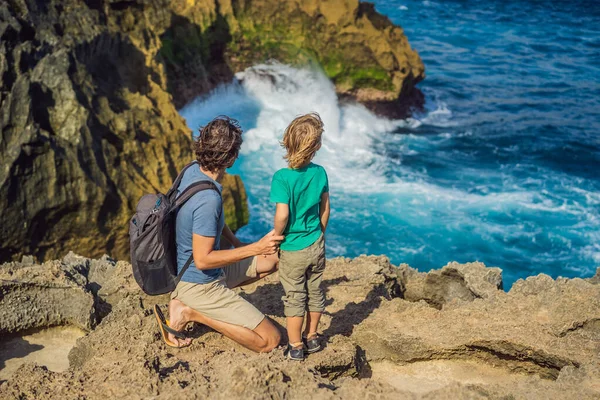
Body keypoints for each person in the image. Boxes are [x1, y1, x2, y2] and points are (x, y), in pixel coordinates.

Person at [155, 116, 283, 352]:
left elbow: (208, 223)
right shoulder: (208, 199)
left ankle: (204, 302)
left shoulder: (193, 170)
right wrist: (255, 248)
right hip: (199, 283)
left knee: (272, 259)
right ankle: (190, 311)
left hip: (193, 271)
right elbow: (203, 259)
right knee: (270, 341)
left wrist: (237, 243)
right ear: (231, 158)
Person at [269, 113, 330, 361]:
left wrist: (277, 236)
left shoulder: (282, 178)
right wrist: (319, 234)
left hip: (292, 248)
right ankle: (312, 336)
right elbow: (325, 208)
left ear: (286, 141)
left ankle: (295, 345)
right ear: (316, 147)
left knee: (295, 297)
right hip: (316, 242)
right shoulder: (320, 173)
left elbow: (282, 215)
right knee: (315, 290)